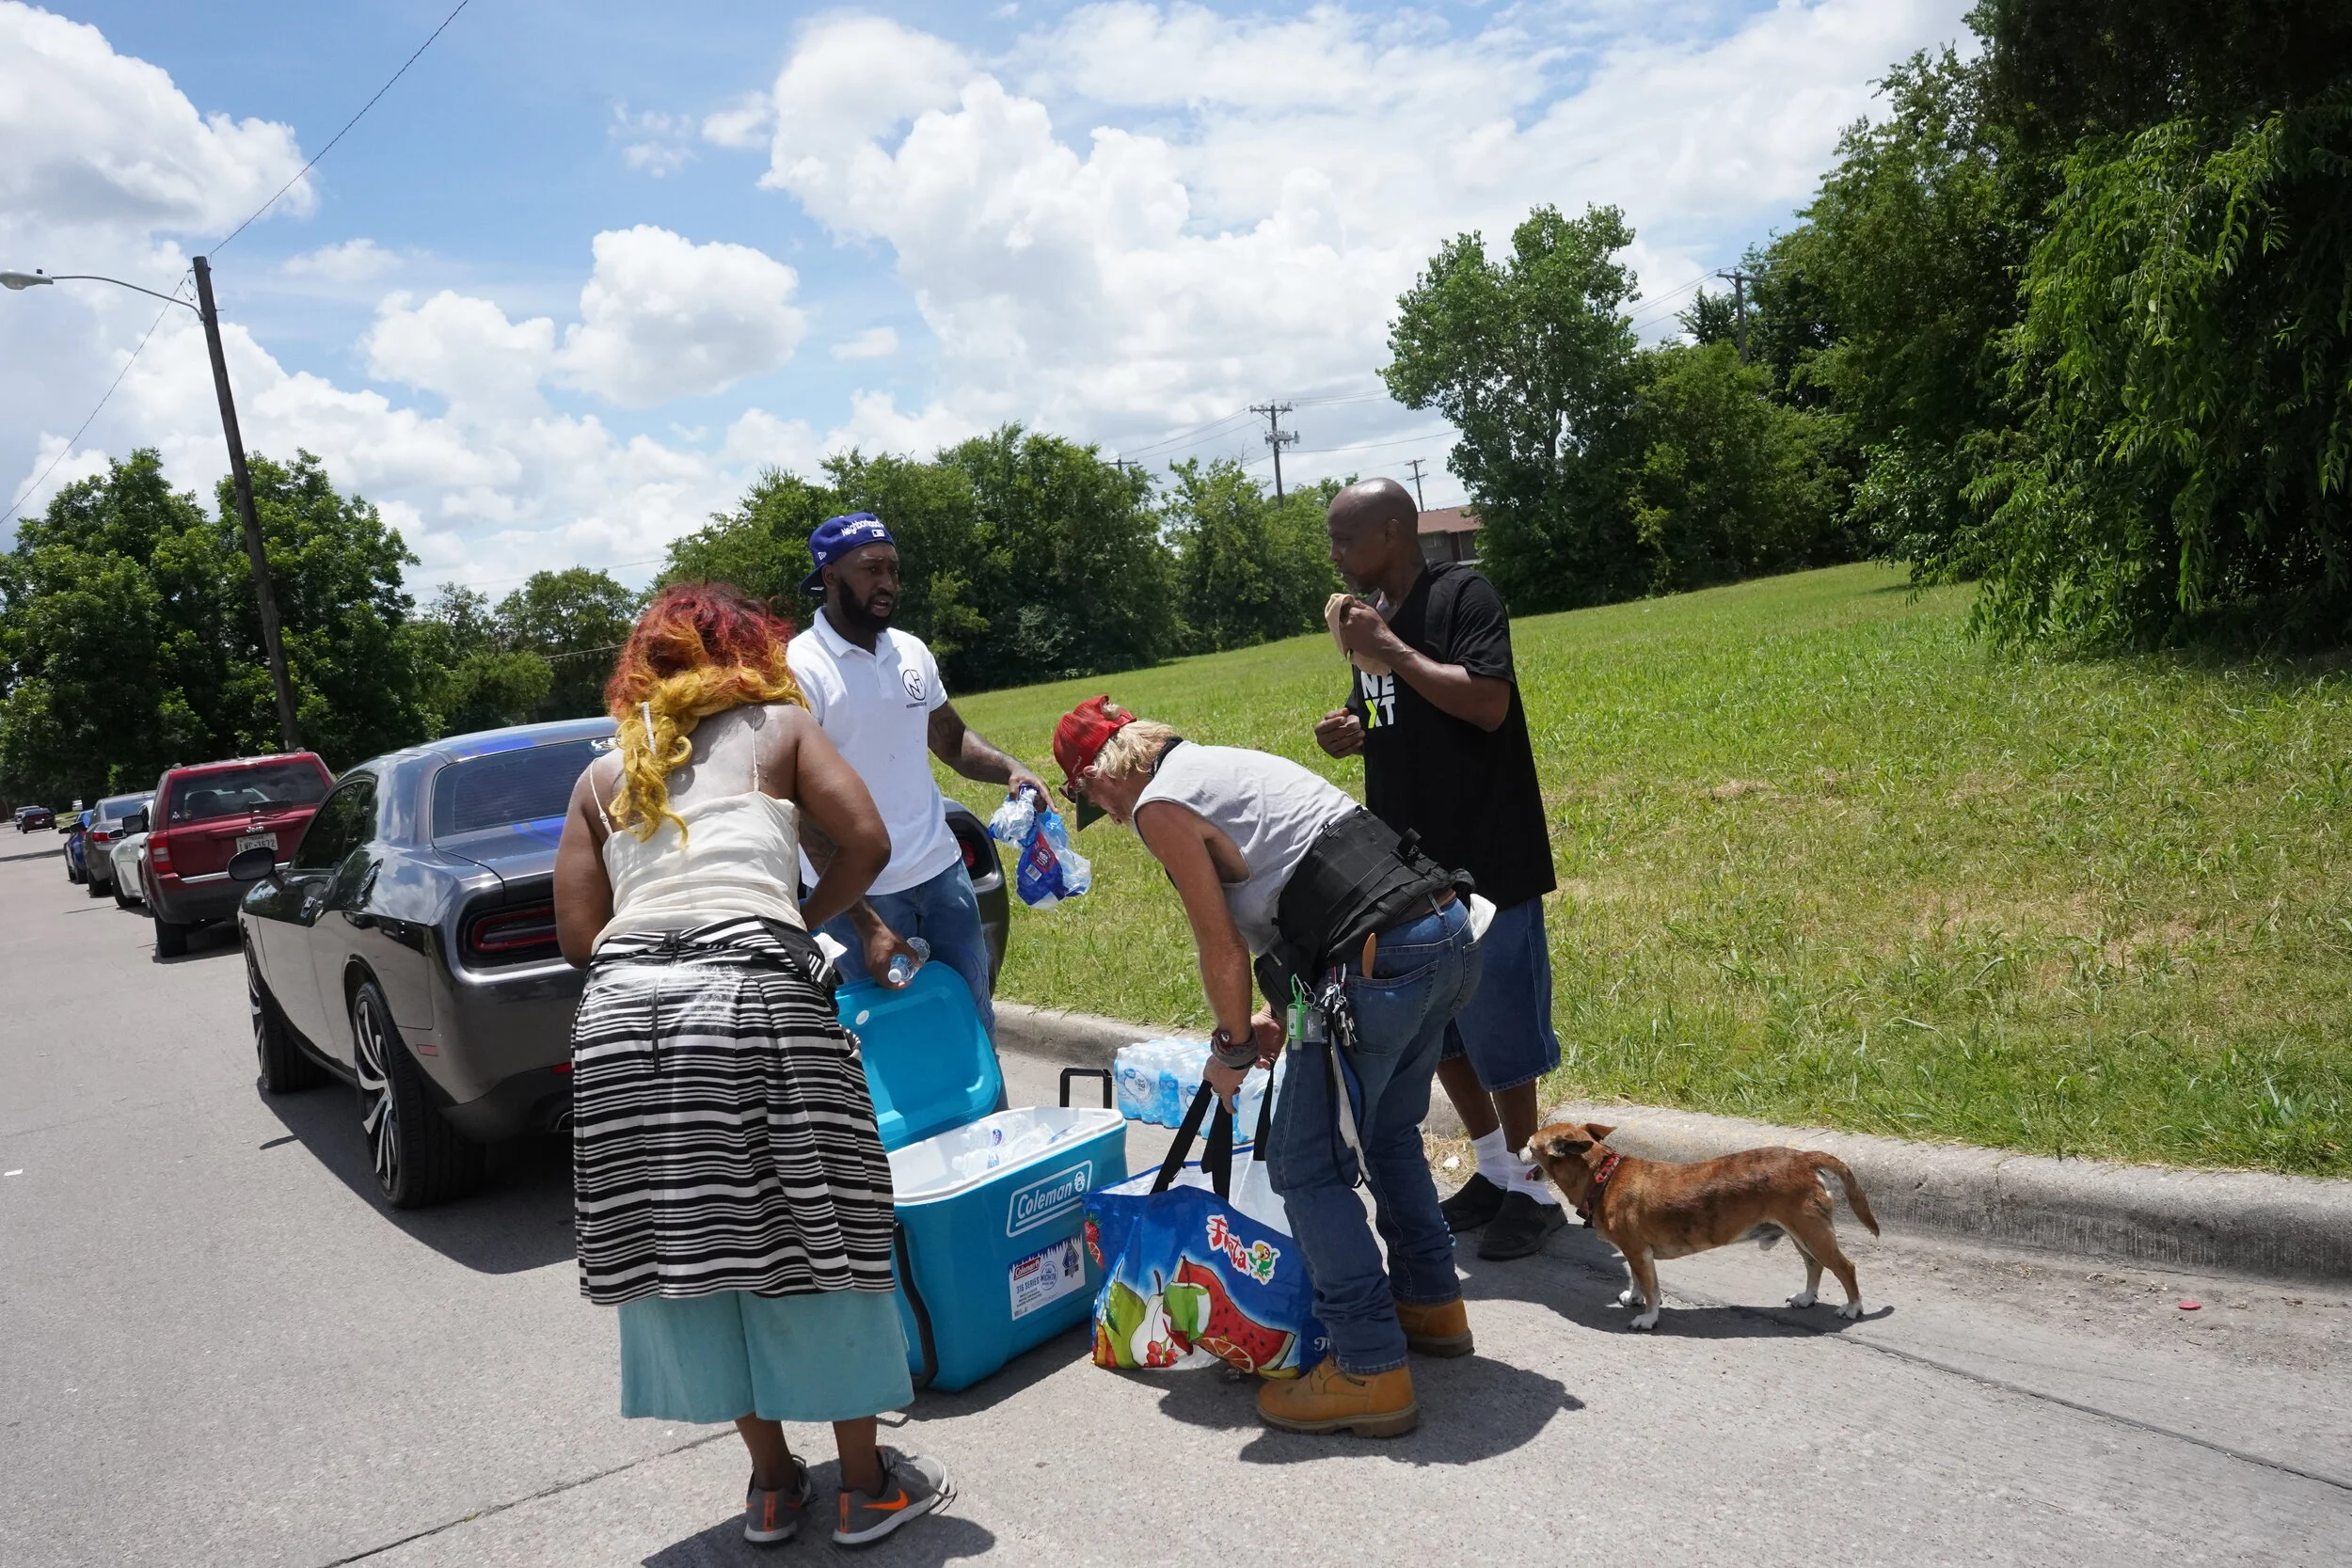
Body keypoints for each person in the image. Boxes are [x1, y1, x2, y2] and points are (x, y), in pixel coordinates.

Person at [552, 583, 954, 1550]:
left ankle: (772, 1486)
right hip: (753, 998)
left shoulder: (605, 773)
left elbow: (578, 936)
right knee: (822, 1223)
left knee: (691, 1239)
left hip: (618, 1021)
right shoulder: (778, 726)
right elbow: (865, 842)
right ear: (750, 650)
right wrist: (790, 917)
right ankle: (864, 1485)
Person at [1054, 696, 1481, 1438]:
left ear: (1099, 773)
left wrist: (1229, 1050)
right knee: (1385, 1136)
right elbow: (1305, 899)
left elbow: (1218, 944)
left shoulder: (1160, 805)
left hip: (1380, 957)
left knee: (1305, 1163)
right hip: (1441, 930)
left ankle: (1369, 1367)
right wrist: (1277, 1018)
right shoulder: (1221, 767)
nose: (1110, 816)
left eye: (1091, 797)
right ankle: (1430, 1303)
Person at [1315, 478, 1567, 1260]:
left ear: (1393, 533)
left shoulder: (1463, 595)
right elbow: (1390, 709)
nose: (1336, 557)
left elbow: (1486, 701)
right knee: (1444, 1031)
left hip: (1486, 849)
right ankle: (1493, 1169)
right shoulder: (1373, 623)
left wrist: (1389, 650)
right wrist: (1349, 726)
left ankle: (1536, 1187)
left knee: (1504, 1032)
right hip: (1406, 863)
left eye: (1345, 540)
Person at [787, 512, 1046, 1030]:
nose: (887, 583)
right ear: (831, 577)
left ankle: (987, 1114)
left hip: (942, 874)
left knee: (973, 1023)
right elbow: (800, 810)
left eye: (893, 570)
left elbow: (949, 739)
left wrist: (1010, 770)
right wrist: (866, 924)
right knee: (892, 1038)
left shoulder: (910, 650)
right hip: (861, 895)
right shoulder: (799, 667)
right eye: (871, 569)